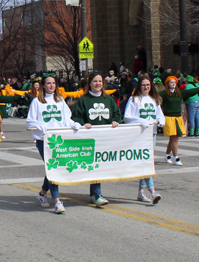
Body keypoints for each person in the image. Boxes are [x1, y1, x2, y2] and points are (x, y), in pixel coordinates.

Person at [27, 74, 78, 214]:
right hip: (44, 140)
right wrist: (40, 126)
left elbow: (67, 119)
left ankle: (42, 194)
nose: (51, 85)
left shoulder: (60, 100)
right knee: (52, 168)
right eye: (48, 83)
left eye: (53, 83)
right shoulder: (37, 102)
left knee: (53, 168)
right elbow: (30, 121)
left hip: (59, 139)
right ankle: (57, 201)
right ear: (43, 85)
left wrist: (74, 125)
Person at [71, 72, 122, 207]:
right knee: (95, 165)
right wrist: (82, 124)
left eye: (100, 81)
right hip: (90, 139)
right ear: (90, 84)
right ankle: (97, 194)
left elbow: (117, 113)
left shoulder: (108, 99)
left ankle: (94, 194)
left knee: (99, 165)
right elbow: (76, 116)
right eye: (95, 81)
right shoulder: (83, 100)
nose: (98, 84)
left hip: (105, 138)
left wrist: (116, 121)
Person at [123, 76, 165, 204]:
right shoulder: (134, 99)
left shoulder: (154, 100)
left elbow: (159, 114)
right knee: (146, 162)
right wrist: (141, 121)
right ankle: (153, 191)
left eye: (148, 85)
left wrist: (161, 122)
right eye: (143, 85)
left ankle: (141, 191)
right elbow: (127, 117)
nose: (146, 87)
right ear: (139, 86)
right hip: (139, 135)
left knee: (146, 162)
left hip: (151, 134)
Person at [159, 76, 199, 165]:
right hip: (169, 118)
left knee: (173, 139)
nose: (173, 84)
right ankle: (176, 157)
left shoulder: (180, 93)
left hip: (178, 117)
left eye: (174, 82)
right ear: (167, 84)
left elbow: (192, 92)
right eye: (171, 82)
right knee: (174, 138)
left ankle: (167, 155)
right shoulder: (164, 93)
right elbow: (154, 95)